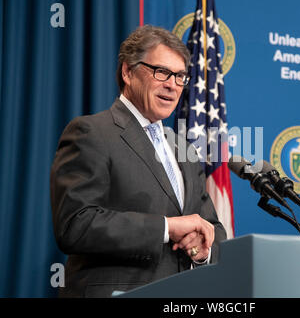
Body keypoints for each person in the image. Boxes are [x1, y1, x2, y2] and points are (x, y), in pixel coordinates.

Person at [50, 25, 227, 298]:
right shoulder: (92, 132)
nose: (172, 84)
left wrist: (202, 249)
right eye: (161, 72)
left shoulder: (183, 149)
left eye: (180, 76)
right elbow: (75, 224)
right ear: (128, 72)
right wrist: (167, 228)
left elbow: (213, 228)